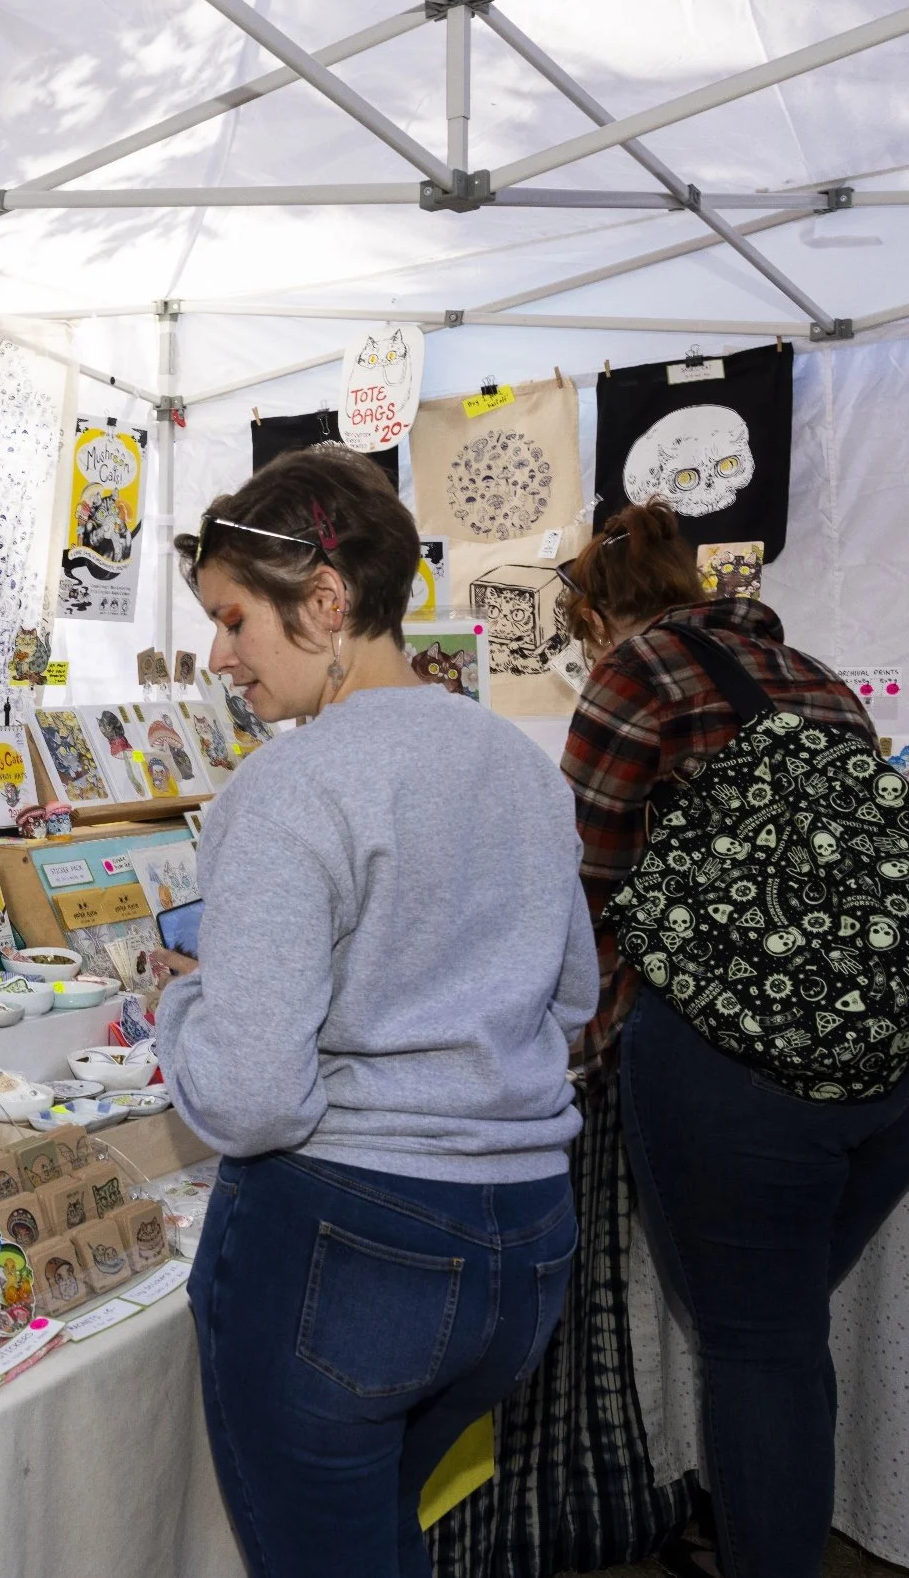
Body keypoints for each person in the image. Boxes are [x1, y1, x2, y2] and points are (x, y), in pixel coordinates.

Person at [152, 447, 595, 1578]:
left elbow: (250, 1097)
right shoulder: (522, 765)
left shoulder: (291, 786)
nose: (219, 657)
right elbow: (574, 995)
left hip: (349, 1246)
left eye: (234, 618)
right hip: (526, 1245)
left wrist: (185, 1006)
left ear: (327, 601)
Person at [559, 501, 909, 1578]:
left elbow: (582, 892)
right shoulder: (816, 676)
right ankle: (753, 1520)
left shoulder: (635, 670)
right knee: (775, 1326)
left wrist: (581, 1051)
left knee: (756, 1339)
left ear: (598, 613)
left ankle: (763, 1543)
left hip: (746, 1065)